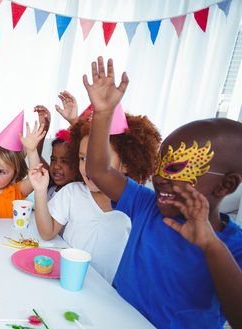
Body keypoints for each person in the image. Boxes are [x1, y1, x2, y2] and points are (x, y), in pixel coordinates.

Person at [84, 56, 242, 329]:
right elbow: (99, 170)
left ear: (226, 184)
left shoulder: (232, 246)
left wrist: (211, 246)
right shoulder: (146, 205)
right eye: (159, 166)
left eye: (177, 169)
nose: (160, 178)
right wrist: (102, 114)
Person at [29, 97, 160, 283]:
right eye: (82, 158)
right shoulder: (73, 193)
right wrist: (40, 191)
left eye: (100, 160)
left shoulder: (138, 209)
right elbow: (47, 232)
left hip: (107, 297)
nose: (89, 167)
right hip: (65, 282)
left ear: (128, 163)